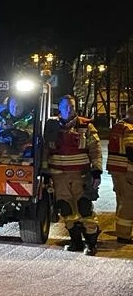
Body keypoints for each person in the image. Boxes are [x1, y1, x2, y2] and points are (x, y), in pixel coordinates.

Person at [43, 94, 103, 255]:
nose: (69, 109)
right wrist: (45, 172)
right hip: (58, 176)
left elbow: (96, 150)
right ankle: (75, 241)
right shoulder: (51, 126)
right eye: (65, 106)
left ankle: (91, 243)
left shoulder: (85, 126)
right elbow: (45, 151)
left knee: (84, 208)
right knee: (66, 209)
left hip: (80, 175)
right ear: (59, 108)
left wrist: (96, 171)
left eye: (71, 106)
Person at [106, 104, 133, 243]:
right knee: (128, 202)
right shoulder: (129, 129)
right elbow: (131, 150)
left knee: (121, 200)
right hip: (126, 170)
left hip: (116, 169)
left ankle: (121, 230)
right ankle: (124, 234)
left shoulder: (118, 126)